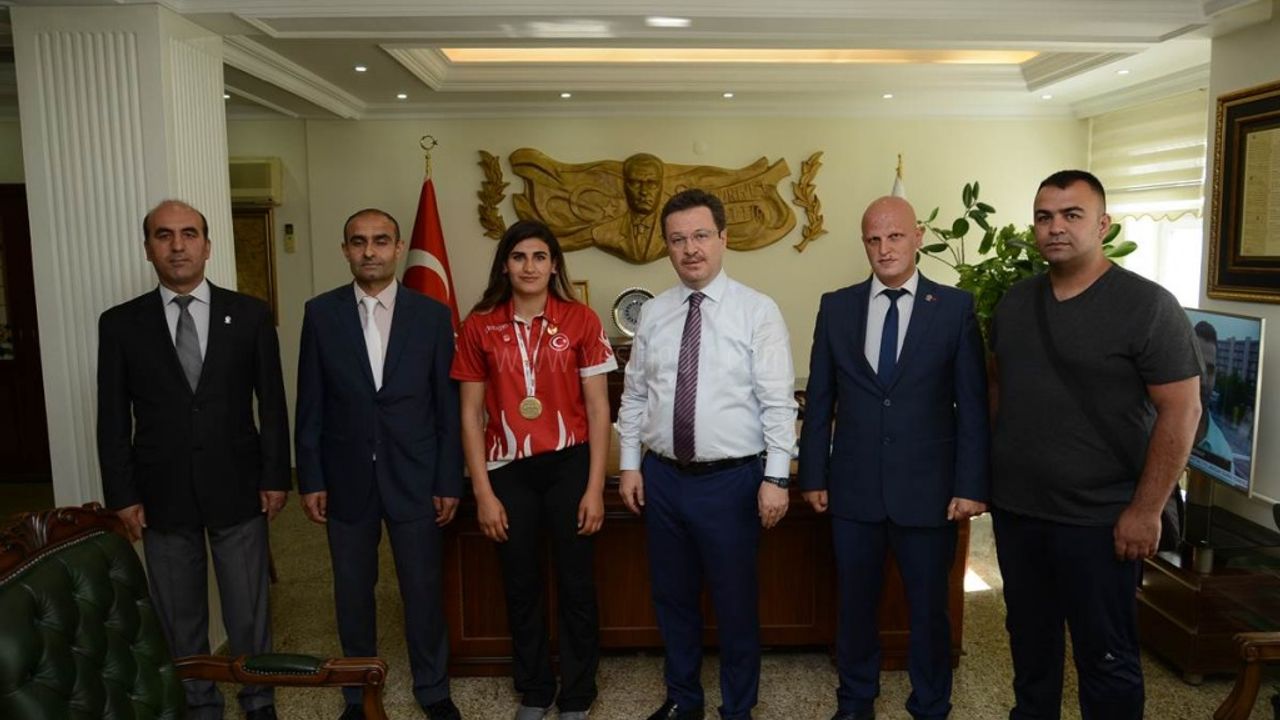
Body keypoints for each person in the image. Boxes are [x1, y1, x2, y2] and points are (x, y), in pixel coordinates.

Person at [990, 170, 1201, 719]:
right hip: (1019, 516)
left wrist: (1146, 510)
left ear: (1103, 225)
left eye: (1072, 215)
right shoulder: (1015, 303)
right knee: (1030, 651)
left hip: (1100, 521)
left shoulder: (1148, 306)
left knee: (1106, 660)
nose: (1055, 227)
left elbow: (1182, 411)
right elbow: (999, 391)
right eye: (1044, 217)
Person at [798, 196, 989, 720]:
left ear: (918, 236)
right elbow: (820, 399)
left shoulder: (954, 308)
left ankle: (931, 703)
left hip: (929, 492)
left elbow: (972, 406)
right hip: (853, 488)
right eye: (874, 239)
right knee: (855, 605)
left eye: (895, 236)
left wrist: (971, 486)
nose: (884, 249)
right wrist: (813, 474)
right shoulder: (836, 307)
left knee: (928, 609)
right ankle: (855, 700)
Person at [97, 199, 289, 720]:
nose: (177, 245)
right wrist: (122, 495)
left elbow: (272, 404)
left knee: (248, 612)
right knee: (179, 616)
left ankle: (258, 700)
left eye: (188, 234)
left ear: (207, 246)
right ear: (148, 248)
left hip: (239, 486)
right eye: (164, 235)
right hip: (161, 493)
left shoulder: (249, 314)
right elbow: (112, 418)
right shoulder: (120, 324)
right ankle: (199, 704)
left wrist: (276, 476)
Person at [617, 188, 798, 720]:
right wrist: (629, 465)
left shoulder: (757, 311)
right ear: (667, 247)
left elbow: (778, 402)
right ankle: (683, 699)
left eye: (700, 236)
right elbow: (634, 396)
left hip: (731, 483)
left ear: (723, 238)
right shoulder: (654, 313)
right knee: (672, 599)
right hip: (663, 479)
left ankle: (737, 708)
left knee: (735, 603)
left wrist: (776, 478)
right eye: (677, 239)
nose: (690, 248)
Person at [295, 208, 463, 720]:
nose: (370, 251)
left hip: (416, 475)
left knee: (422, 590)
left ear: (398, 247)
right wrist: (311, 477)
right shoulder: (320, 314)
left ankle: (433, 690)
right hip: (345, 477)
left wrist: (448, 479)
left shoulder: (431, 315)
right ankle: (356, 693)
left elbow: (447, 407)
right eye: (359, 241)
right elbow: (310, 402)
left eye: (381, 240)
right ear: (345, 249)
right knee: (352, 592)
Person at [451, 220, 616, 720]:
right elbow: (469, 416)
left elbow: (599, 410)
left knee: (576, 583)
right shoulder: (479, 325)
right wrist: (482, 493)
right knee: (520, 582)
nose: (529, 266)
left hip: (570, 465)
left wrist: (594, 488)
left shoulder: (581, 320)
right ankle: (535, 689)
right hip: (508, 469)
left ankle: (578, 692)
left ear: (553, 265)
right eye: (519, 256)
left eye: (540, 257)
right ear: (505, 264)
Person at [592, 153, 666, 262]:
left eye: (652, 184)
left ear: (661, 187)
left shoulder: (675, 232)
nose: (644, 191)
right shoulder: (603, 233)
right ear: (625, 187)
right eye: (635, 183)